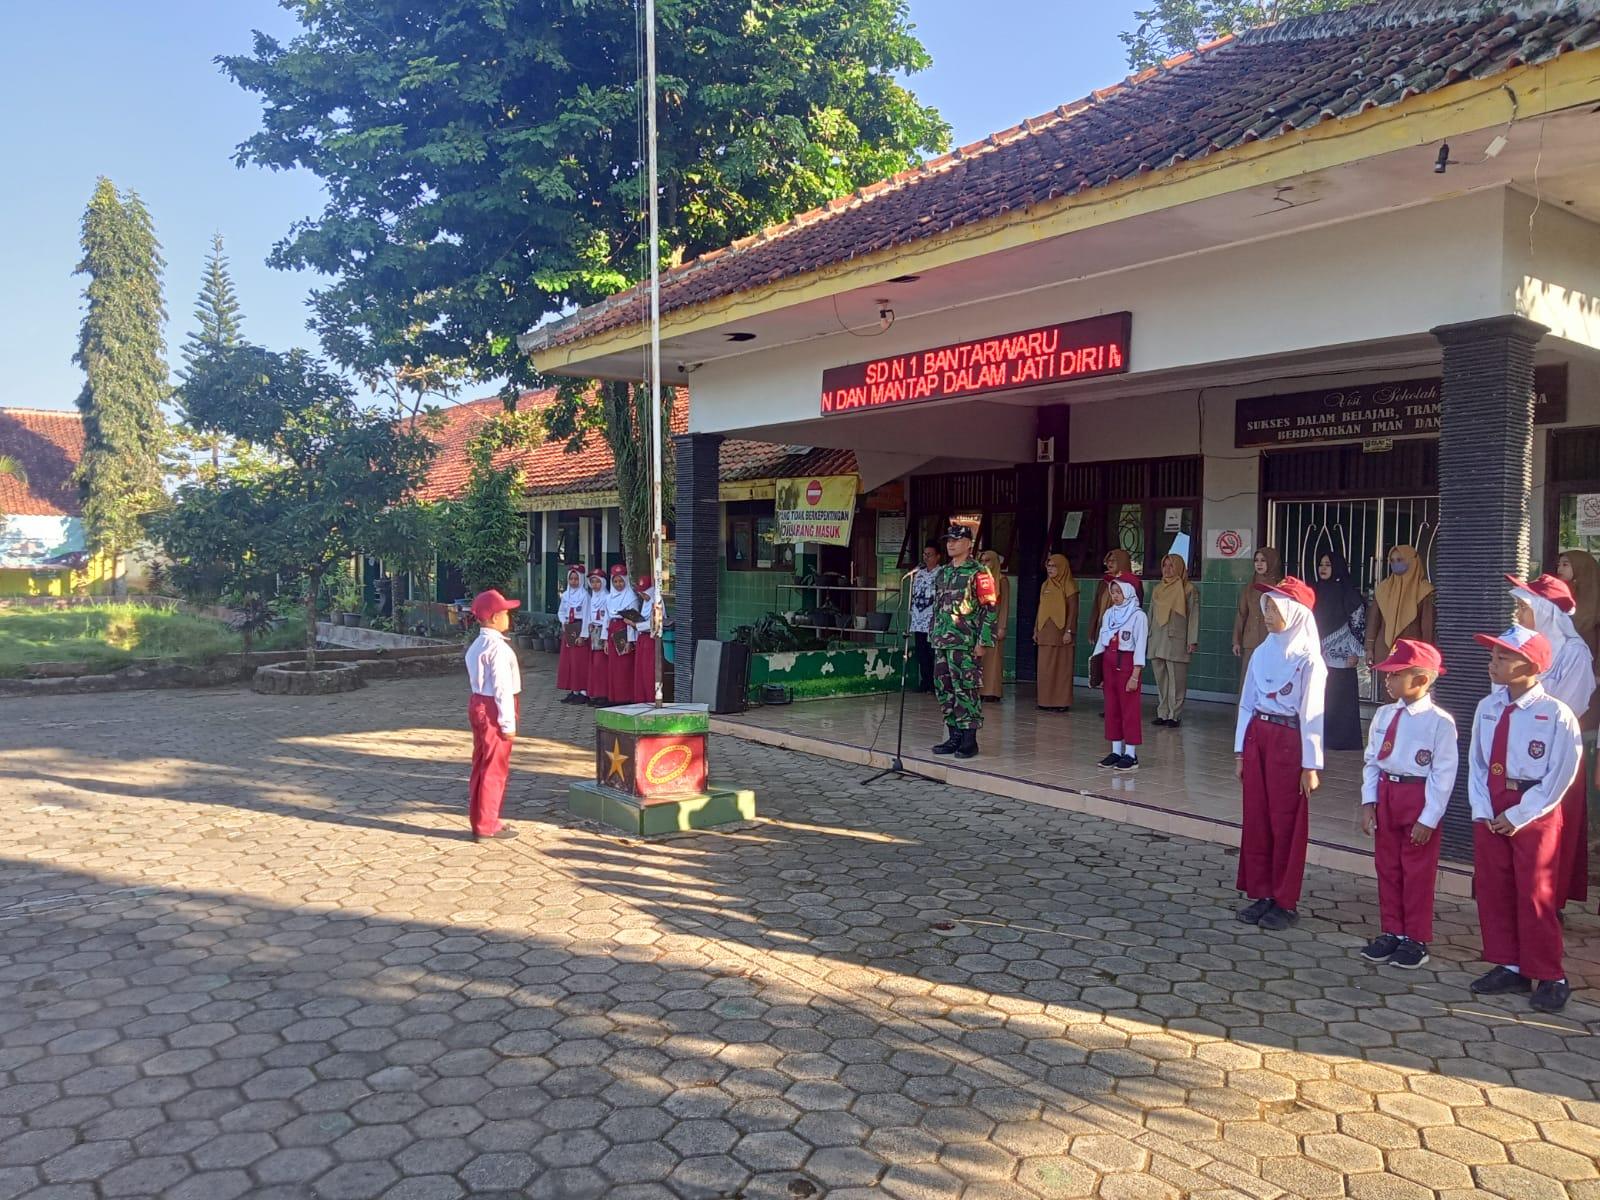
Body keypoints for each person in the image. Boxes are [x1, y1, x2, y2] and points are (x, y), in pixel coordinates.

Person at [1467, 625, 1582, 1013]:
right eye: (1493, 655)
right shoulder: (1488, 707)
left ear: (1532, 665)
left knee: (1535, 894)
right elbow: (1477, 763)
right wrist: (1483, 808)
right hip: (1492, 803)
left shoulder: (1556, 714)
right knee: (1494, 887)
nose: (1493, 663)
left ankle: (1550, 974)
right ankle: (1510, 963)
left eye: (1504, 657)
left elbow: (1560, 774)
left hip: (1535, 809)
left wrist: (1519, 814)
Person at [1235, 577, 1326, 931]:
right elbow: (1247, 703)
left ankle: (1285, 900)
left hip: (1289, 740)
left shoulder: (1309, 659)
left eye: (1275, 607)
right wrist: (1240, 750)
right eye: (1267, 607)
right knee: (1257, 816)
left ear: (1295, 612)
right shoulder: (1261, 651)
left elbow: (1312, 712)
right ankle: (1262, 892)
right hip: (1259, 734)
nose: (1268, 613)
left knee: (1285, 818)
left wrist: (1310, 764)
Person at [1358, 640, 1456, 969]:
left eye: (1395, 674)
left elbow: (1443, 774)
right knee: (1388, 866)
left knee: (1416, 871)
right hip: (1388, 793)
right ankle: (1392, 931)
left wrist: (1429, 818)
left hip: (1418, 796)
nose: (1387, 680)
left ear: (1421, 680)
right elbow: (1372, 760)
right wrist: (1369, 801)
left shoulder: (1439, 722)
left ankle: (1415, 938)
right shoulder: (1384, 715)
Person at [1508, 574, 1595, 909]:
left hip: (1558, 753)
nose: (1517, 614)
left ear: (1545, 611)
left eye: (1522, 607)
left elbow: (1568, 707)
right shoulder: (1517, 648)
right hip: (1519, 751)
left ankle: (1550, 901)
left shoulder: (1574, 653)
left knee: (1556, 828)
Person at [929, 524, 999, 760]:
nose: (951, 544)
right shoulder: (943, 572)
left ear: (969, 544)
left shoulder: (979, 572)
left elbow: (990, 609)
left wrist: (983, 642)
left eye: (957, 540)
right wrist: (933, 634)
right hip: (942, 642)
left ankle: (969, 740)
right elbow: (937, 608)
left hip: (965, 642)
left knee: (965, 690)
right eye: (948, 540)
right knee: (944, 689)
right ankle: (954, 736)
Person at [464, 589, 522, 842]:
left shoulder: (478, 644)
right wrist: (507, 722)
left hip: (478, 702)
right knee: (495, 767)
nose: (509, 617)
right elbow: (502, 688)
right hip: (493, 707)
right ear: (494, 617)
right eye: (506, 613)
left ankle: (482, 818)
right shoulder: (497, 648)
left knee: (482, 763)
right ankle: (487, 824)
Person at [1092, 573, 1147, 772]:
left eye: (1119, 592)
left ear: (1129, 592)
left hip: (1127, 665)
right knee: (1112, 707)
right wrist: (1097, 670)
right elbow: (1102, 640)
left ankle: (1130, 754)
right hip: (1109, 664)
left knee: (1129, 710)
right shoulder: (1109, 614)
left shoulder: (1138, 616)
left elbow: (1140, 646)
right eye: (1113, 592)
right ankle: (1116, 750)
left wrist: (1135, 674)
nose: (1115, 596)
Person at [1313, 548, 1366, 751]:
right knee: (1321, 693)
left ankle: (1342, 740)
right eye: (1321, 564)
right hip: (1318, 651)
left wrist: (1356, 651)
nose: (1323, 569)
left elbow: (1358, 622)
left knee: (1341, 694)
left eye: (1328, 565)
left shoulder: (1348, 592)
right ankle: (1321, 737)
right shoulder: (1316, 590)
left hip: (1342, 652)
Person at [1367, 545, 1436, 683]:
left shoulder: (1424, 590)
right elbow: (1373, 621)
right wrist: (1369, 648)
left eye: (1400, 560)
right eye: (1392, 561)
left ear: (1412, 561)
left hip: (1411, 650)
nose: (1395, 564)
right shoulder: (1383, 588)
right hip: (1384, 650)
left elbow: (1427, 626)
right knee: (1389, 691)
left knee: (1410, 690)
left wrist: (1425, 653)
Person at [1149, 553, 1200, 728]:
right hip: (1157, 638)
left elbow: (1193, 616)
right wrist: (1146, 636)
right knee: (1161, 678)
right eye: (1165, 565)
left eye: (1171, 566)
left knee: (1176, 679)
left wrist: (1192, 640)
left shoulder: (1188, 589)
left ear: (1179, 568)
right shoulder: (1158, 589)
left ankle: (1174, 714)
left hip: (1176, 639)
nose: (1167, 570)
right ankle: (1162, 713)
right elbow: (1151, 614)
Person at [1233, 547, 1284, 685]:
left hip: (1272, 641)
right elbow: (1241, 614)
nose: (1259, 564)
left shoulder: (1280, 587)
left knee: (1268, 678)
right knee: (1248, 679)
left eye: (1263, 560)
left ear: (1272, 562)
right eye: (1256, 560)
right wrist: (1236, 640)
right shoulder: (1249, 587)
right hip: (1250, 641)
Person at [1034, 553, 1078, 713]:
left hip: (1061, 634)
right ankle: (1045, 700)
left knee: (1061, 669)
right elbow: (1041, 608)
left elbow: (1073, 612)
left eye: (1054, 566)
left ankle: (1060, 702)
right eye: (1049, 566)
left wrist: (1069, 631)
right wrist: (1036, 629)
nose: (1051, 569)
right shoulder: (1045, 585)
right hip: (1045, 633)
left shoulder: (1069, 586)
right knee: (1045, 668)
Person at [978, 549, 1010, 703]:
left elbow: (1004, 605)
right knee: (981, 657)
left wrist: (1002, 626)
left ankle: (992, 692)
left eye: (987, 561)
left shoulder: (1002, 580)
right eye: (982, 561)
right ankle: (980, 689)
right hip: (980, 623)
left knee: (994, 658)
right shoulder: (980, 578)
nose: (984, 564)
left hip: (995, 624)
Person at [1557, 548, 1600, 665]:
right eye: (1559, 564)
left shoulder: (1595, 597)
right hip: (1562, 659)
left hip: (1588, 659)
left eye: (1565, 564)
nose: (1559, 569)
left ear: (1582, 566)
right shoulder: (1560, 592)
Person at [603, 564, 637, 706]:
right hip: (612, 631)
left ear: (626, 581)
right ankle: (614, 697)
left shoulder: (631, 597)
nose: (618, 584)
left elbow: (632, 619)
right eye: (615, 581)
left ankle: (625, 697)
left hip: (624, 630)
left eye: (621, 581)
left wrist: (630, 640)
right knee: (612, 666)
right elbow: (606, 617)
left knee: (624, 666)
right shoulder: (609, 597)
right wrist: (604, 639)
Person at [909, 543, 941, 693]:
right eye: (924, 554)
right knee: (921, 652)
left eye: (930, 555)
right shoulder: (918, 573)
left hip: (933, 619)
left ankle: (935, 684)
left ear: (938, 556)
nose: (926, 557)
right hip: (918, 618)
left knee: (932, 652)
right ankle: (925, 682)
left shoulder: (941, 573)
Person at [556, 564, 590, 704]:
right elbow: (561, 611)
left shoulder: (585, 596)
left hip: (580, 626)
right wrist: (563, 621)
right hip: (569, 627)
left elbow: (587, 616)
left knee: (580, 661)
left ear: (581, 580)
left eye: (576, 579)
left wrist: (583, 635)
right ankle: (573, 690)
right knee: (569, 661)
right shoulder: (566, 595)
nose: (574, 582)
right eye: (571, 579)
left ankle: (583, 691)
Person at [1091, 548, 1140, 631]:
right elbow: (1096, 607)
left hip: (1124, 630)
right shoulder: (1104, 582)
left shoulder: (1132, 583)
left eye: (1114, 560)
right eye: (1108, 560)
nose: (1110, 563)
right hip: (1103, 628)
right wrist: (1092, 628)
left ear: (1122, 562)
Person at [584, 566, 610, 706]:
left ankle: (604, 694)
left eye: (597, 582)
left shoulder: (607, 598)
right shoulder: (592, 598)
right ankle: (595, 693)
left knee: (601, 665)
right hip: (593, 631)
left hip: (602, 631)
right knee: (594, 665)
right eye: (592, 582)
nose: (595, 585)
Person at [631, 573, 658, 704]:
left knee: (649, 671)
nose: (642, 596)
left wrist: (635, 625)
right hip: (642, 639)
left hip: (651, 639)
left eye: (644, 592)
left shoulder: (656, 602)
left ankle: (651, 699)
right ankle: (641, 699)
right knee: (640, 670)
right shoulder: (646, 603)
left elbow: (654, 623)